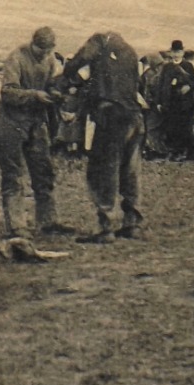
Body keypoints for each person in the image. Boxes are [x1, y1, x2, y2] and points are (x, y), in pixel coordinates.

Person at [62, 30, 145, 243]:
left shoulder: (99, 44)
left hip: (111, 116)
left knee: (103, 170)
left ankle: (106, 226)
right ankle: (132, 224)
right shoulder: (130, 53)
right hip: (134, 116)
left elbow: (78, 62)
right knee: (130, 170)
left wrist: (67, 75)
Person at [0, 27, 76, 239]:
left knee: (44, 172)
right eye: (41, 50)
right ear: (33, 43)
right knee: (14, 175)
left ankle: (48, 221)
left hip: (36, 122)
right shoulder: (16, 58)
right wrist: (35, 96)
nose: (44, 54)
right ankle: (16, 225)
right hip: (11, 123)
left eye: (48, 50)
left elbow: (51, 84)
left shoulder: (49, 60)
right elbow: (8, 92)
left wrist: (55, 93)